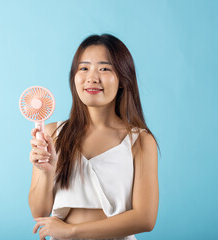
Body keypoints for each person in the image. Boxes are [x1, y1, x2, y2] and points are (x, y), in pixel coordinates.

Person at [28, 34, 159, 240]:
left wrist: (71, 231)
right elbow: (39, 213)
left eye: (104, 68)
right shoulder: (52, 133)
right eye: (84, 68)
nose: (92, 77)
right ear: (74, 77)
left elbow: (146, 218)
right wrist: (45, 172)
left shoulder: (140, 141)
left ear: (123, 78)